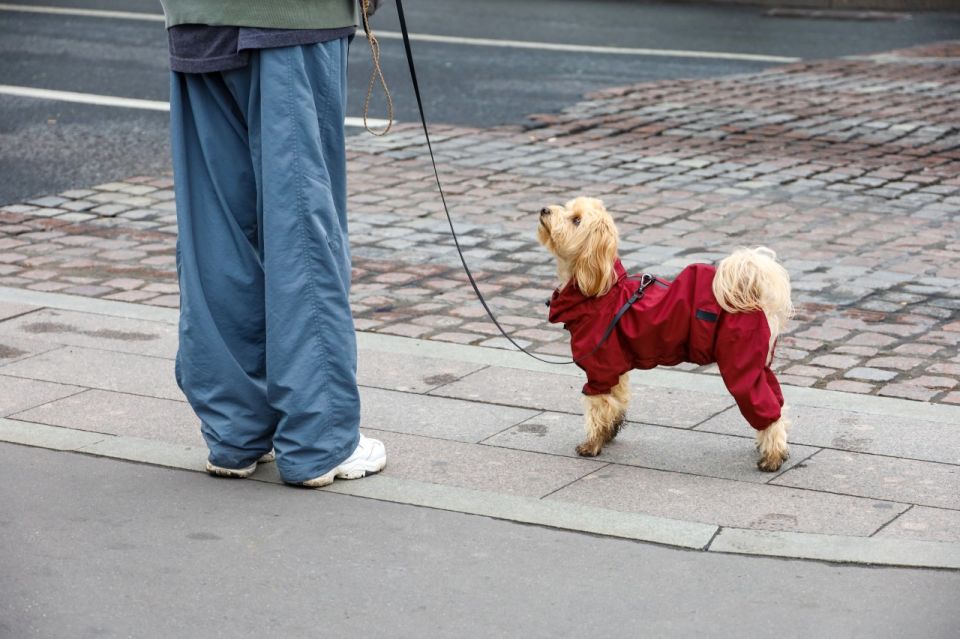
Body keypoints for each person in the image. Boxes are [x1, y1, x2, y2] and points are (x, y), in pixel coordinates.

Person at [159, 0, 386, 487]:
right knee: (300, 226)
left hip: (196, 16)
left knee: (215, 230)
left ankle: (235, 431)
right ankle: (319, 439)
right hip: (292, 17)